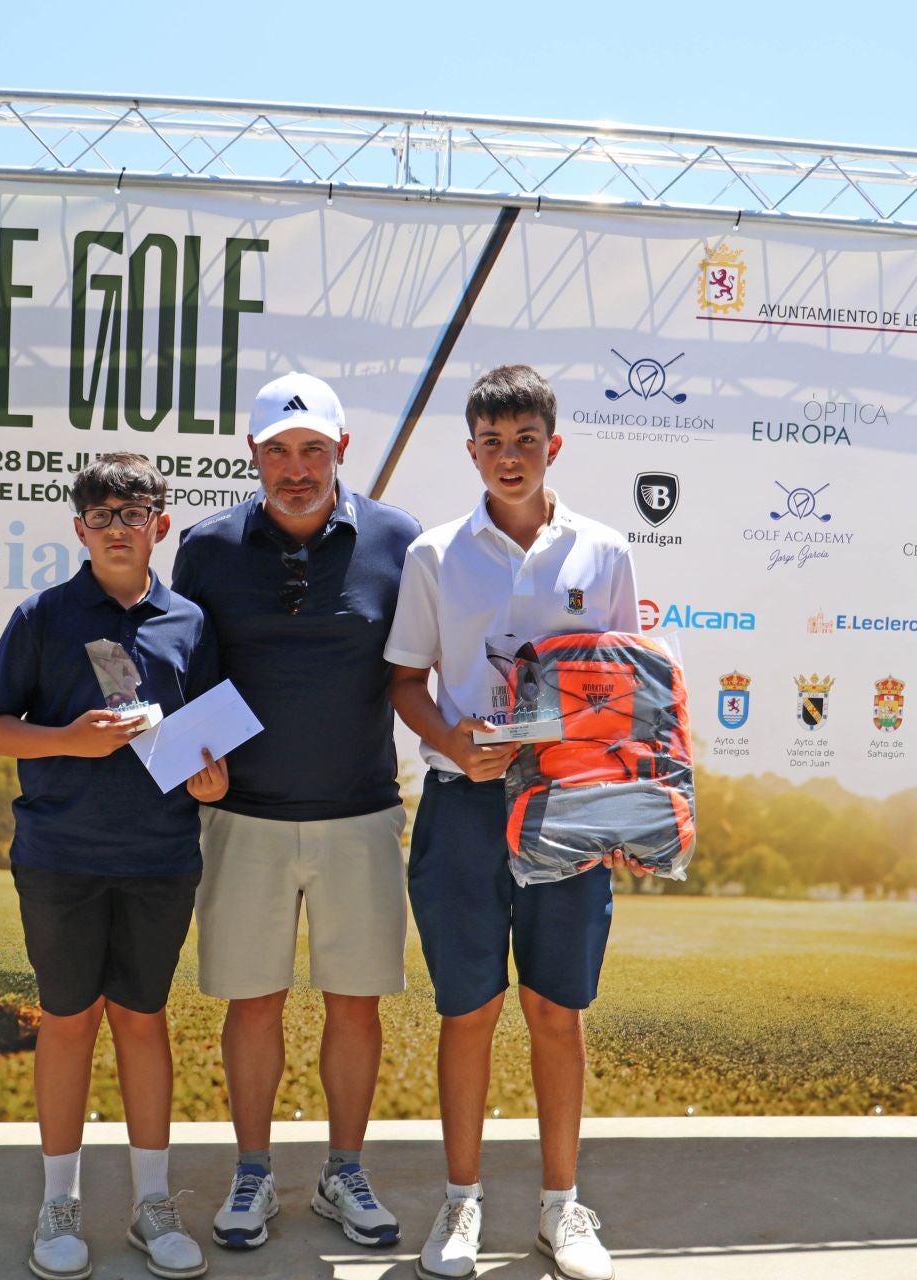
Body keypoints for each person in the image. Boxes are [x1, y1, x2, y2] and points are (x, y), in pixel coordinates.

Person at [383, 365, 643, 1280]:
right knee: (470, 1010)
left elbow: (623, 691)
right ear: (471, 452)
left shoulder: (605, 553)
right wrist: (455, 740)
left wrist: (610, 796)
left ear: (553, 446)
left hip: (566, 812)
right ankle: (460, 1207)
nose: (508, 457)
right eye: (491, 443)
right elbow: (406, 682)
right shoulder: (434, 554)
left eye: (524, 440)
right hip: (462, 810)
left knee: (555, 1010)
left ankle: (562, 1211)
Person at [171, 372, 422, 1252]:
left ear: (341, 451)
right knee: (254, 1004)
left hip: (360, 815)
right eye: (277, 450)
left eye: (313, 448)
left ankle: (343, 1171)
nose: (295, 468)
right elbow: (189, 677)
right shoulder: (205, 548)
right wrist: (195, 766)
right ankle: (252, 1173)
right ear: (253, 455)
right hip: (244, 819)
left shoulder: (399, 539)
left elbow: (414, 675)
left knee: (357, 1006)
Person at [0, 452, 229, 1280]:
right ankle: (60, 1205)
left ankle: (153, 1205)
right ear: (79, 528)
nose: (118, 528)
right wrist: (66, 742)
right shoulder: (43, 615)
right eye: (101, 515)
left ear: (161, 525)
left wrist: (212, 774)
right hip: (60, 859)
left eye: (134, 513)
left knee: (143, 1021)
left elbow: (209, 743)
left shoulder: (189, 620)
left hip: (159, 857)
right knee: (70, 1021)